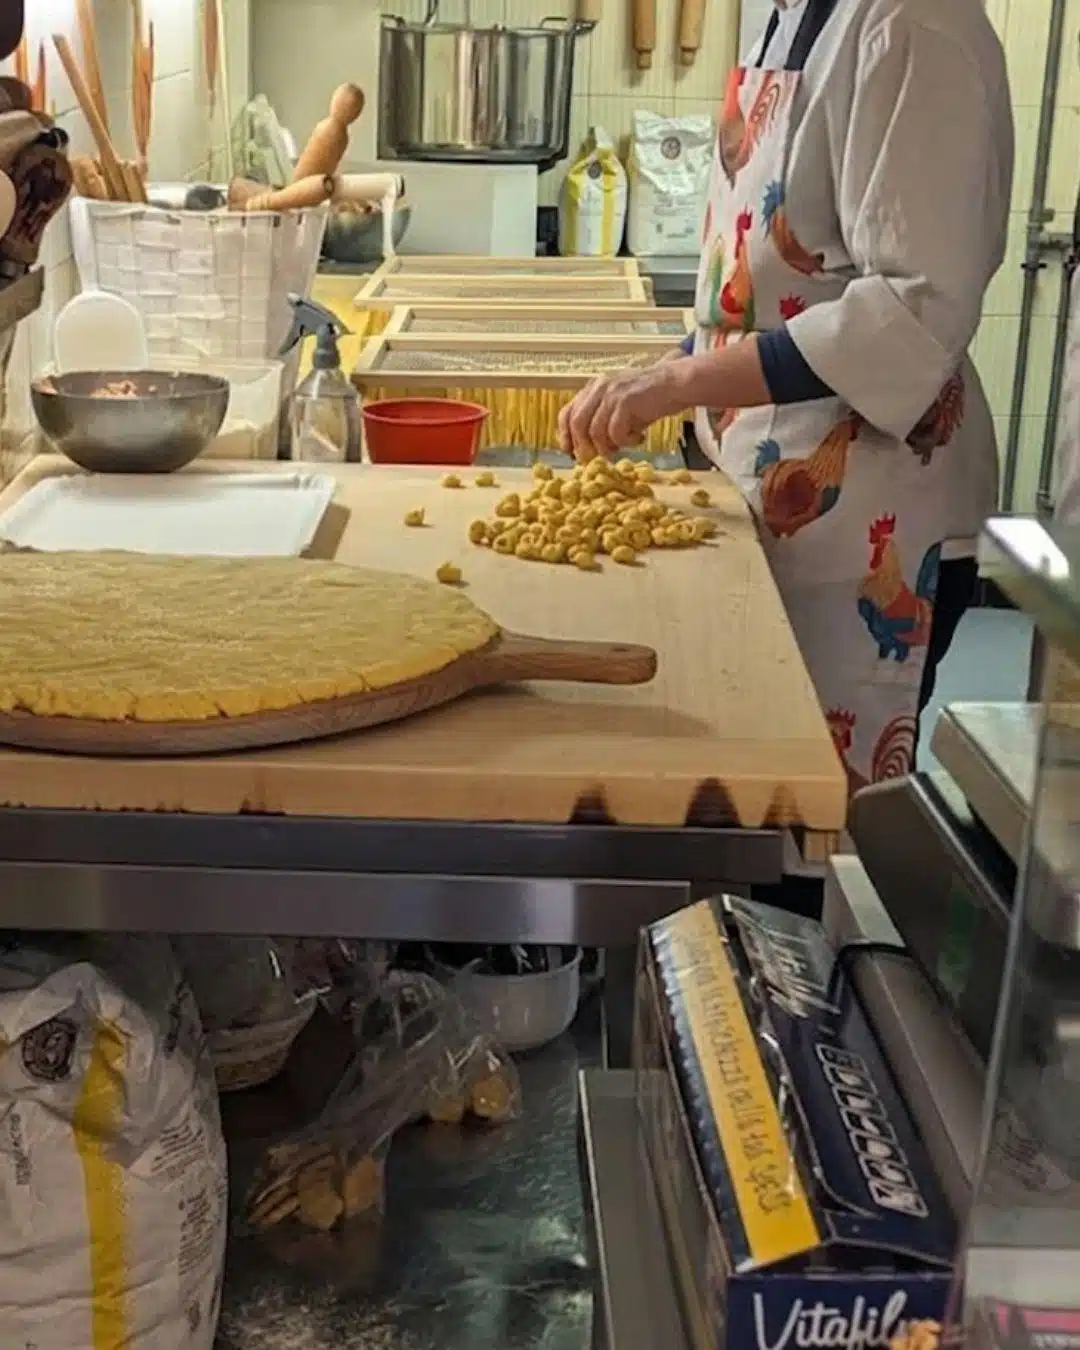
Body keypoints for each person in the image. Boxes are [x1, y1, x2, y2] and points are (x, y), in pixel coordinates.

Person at [558, 0, 1014, 795]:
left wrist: (679, 382)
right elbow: (773, 281)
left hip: (870, 518)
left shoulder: (914, 26)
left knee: (808, 811)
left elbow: (911, 310)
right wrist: (679, 364)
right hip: (762, 496)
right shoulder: (788, 14)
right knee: (746, 793)